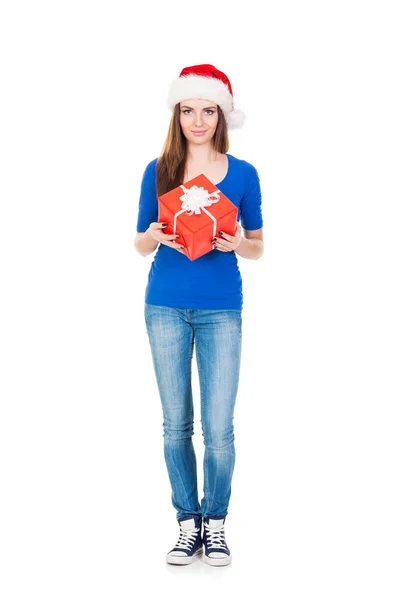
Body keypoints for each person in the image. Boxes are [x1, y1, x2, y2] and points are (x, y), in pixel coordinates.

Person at [134, 64, 264, 567]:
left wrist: (236, 244)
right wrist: (155, 236)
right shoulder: (159, 170)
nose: (197, 120)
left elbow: (257, 247)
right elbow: (138, 241)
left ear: (222, 115)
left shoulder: (244, 173)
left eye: (207, 110)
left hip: (221, 309)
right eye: (188, 110)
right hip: (164, 304)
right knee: (174, 425)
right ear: (177, 114)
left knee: (219, 428)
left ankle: (217, 522)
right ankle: (187, 523)